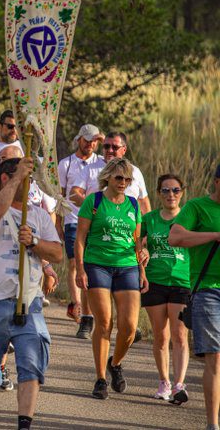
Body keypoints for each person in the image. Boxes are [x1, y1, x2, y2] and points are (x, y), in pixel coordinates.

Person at [0, 157, 62, 430]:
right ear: (6, 179)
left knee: (31, 365)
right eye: (24, 177)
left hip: (28, 302)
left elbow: (56, 253)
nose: (29, 183)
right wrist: (19, 176)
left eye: (30, 178)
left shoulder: (39, 215)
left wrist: (33, 241)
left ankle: (24, 423)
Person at [74, 158, 148, 400]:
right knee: (104, 322)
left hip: (127, 267)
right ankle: (100, 379)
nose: (123, 183)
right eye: (119, 178)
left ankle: (115, 363)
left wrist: (142, 270)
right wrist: (81, 269)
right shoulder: (94, 202)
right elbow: (81, 238)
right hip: (98, 265)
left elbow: (137, 241)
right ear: (108, 177)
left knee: (128, 327)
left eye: (127, 179)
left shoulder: (133, 205)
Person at [70, 131, 151, 338]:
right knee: (94, 272)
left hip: (128, 232)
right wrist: (94, 202)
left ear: (124, 149)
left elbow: (144, 205)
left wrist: (145, 239)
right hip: (98, 225)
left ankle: (127, 323)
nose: (109, 150)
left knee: (126, 305)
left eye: (115, 147)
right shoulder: (91, 168)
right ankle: (89, 318)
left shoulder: (136, 172)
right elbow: (74, 193)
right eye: (106, 146)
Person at [168, 164, 220, 430]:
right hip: (208, 288)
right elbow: (174, 236)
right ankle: (213, 424)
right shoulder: (198, 207)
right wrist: (214, 236)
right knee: (215, 357)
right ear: (217, 182)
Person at [141, 174, 190, 404]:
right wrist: (142, 254)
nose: (171, 195)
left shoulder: (190, 218)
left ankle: (180, 384)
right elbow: (136, 246)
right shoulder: (149, 219)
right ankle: (164, 382)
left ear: (182, 192)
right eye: (166, 190)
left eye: (176, 190)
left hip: (182, 281)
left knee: (180, 335)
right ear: (159, 193)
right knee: (160, 335)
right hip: (155, 281)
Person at [57, 124, 103, 324]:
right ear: (79, 140)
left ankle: (89, 305)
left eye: (94, 141)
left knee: (91, 262)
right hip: (73, 218)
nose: (91, 144)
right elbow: (59, 195)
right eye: (87, 140)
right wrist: (58, 223)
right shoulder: (66, 164)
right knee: (75, 261)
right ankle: (76, 304)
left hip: (97, 220)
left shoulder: (101, 163)